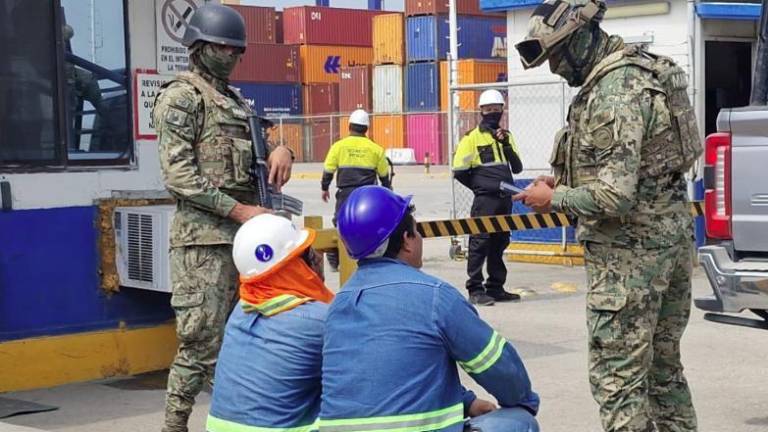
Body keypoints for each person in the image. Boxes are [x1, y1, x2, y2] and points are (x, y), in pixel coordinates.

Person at [513, 0, 701, 430]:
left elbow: (615, 196)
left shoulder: (613, 93)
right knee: (663, 374)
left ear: (581, 38)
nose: (556, 68)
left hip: (627, 262)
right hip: (668, 245)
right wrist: (561, 184)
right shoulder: (641, 73)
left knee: (618, 382)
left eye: (558, 56)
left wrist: (554, 199)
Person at [152, 4, 295, 431]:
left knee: (245, 342)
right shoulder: (182, 96)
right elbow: (179, 177)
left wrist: (281, 150)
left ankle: (237, 419)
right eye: (223, 48)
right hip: (204, 245)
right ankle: (174, 426)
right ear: (198, 46)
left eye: (237, 51)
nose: (231, 56)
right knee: (199, 344)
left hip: (247, 243)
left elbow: (259, 148)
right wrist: (242, 210)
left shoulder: (234, 101)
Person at [320, 185, 540, 432]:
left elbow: (386, 372)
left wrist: (466, 402)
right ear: (406, 241)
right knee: (521, 422)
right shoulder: (435, 296)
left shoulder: (339, 304)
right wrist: (525, 402)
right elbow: (501, 370)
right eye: (416, 231)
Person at [207, 214, 334, 432]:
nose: (318, 258)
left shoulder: (240, 311)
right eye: (307, 252)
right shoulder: (317, 321)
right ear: (294, 266)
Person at [452, 90, 523, 306]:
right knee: (480, 242)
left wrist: (506, 145)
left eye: (496, 109)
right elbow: (459, 170)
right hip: (486, 201)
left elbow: (517, 168)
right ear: (481, 111)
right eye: (488, 109)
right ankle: (475, 288)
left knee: (500, 242)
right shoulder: (471, 138)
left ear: (502, 110)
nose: (493, 113)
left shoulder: (507, 136)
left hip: (505, 199)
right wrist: (480, 187)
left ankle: (496, 287)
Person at [321, 109, 391, 271]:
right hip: (367, 194)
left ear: (349, 126)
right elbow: (384, 175)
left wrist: (325, 187)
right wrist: (387, 191)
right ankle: (369, 254)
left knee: (339, 223)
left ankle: (334, 255)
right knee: (369, 223)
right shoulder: (376, 149)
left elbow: (328, 169)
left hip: (345, 193)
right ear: (366, 128)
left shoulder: (338, 146)